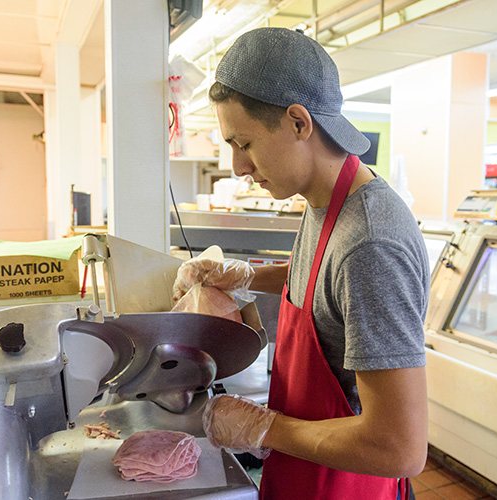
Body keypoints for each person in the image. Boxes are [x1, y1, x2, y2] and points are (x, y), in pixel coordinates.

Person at [174, 27, 429, 500]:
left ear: (298, 122)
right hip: (309, 470)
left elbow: (399, 447)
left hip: (348, 484)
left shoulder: (370, 243)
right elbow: (329, 291)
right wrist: (249, 276)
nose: (237, 167)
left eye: (243, 143)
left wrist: (263, 427)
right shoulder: (323, 201)